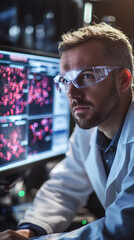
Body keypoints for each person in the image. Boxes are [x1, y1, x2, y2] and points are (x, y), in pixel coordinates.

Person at [0, 22, 134, 240]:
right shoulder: (90, 130)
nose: (72, 93)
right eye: (65, 80)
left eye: (87, 76)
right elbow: (66, 186)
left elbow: (121, 229)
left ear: (123, 80)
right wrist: (29, 230)